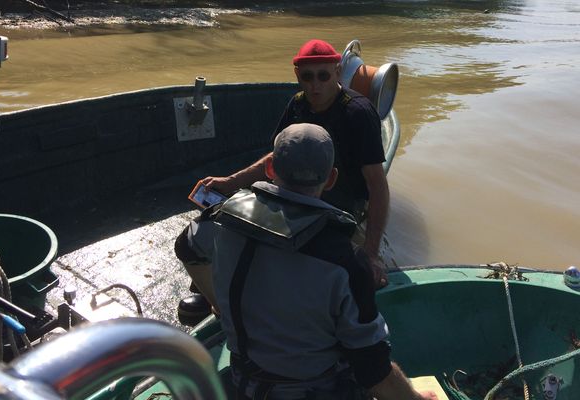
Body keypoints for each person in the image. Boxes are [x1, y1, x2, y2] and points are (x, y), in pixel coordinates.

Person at [175, 123, 434, 400]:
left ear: (271, 168)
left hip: (246, 385)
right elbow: (374, 370)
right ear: (331, 178)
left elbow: (186, 248)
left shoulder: (218, 221)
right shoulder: (346, 261)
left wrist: (219, 303)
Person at [177, 38, 390, 318]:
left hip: (339, 205)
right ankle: (218, 295)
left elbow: (377, 186)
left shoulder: (358, 113)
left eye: (324, 75)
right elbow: (277, 157)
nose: (315, 85)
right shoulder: (299, 104)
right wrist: (231, 182)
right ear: (297, 76)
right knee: (229, 228)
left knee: (358, 279)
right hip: (292, 194)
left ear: (338, 72)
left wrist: (371, 252)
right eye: (307, 77)